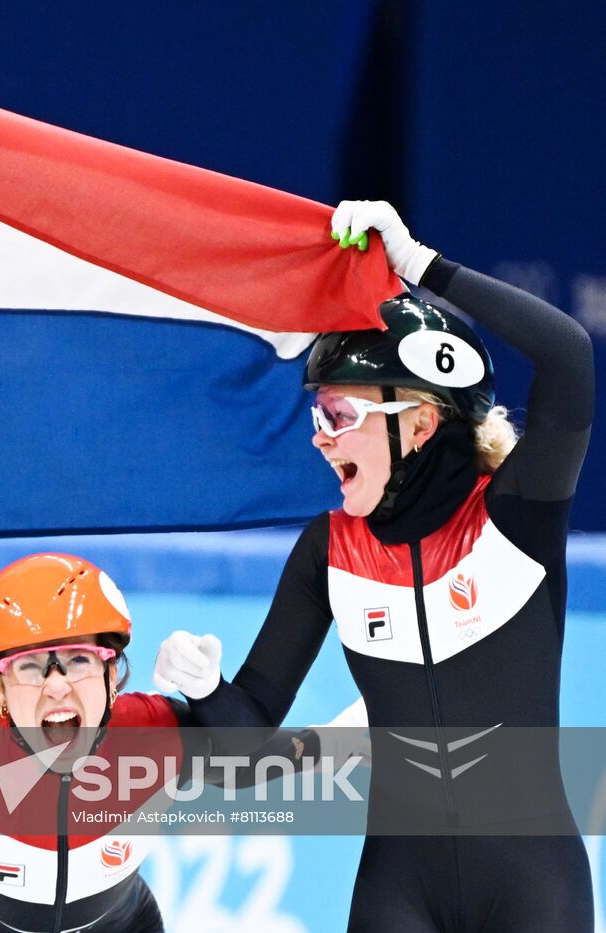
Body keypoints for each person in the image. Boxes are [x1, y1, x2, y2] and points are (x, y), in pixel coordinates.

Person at [153, 200, 595, 930]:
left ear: (420, 422)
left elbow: (570, 357)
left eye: (339, 416)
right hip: (400, 889)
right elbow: (251, 743)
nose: (322, 441)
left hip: (532, 885)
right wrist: (209, 690)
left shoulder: (513, 518)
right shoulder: (328, 550)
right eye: (317, 418)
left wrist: (425, 266)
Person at [0, 552, 360, 933]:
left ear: (112, 676)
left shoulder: (155, 736)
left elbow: (250, 762)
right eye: (29, 666)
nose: (56, 685)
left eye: (76, 660)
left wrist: (352, 736)